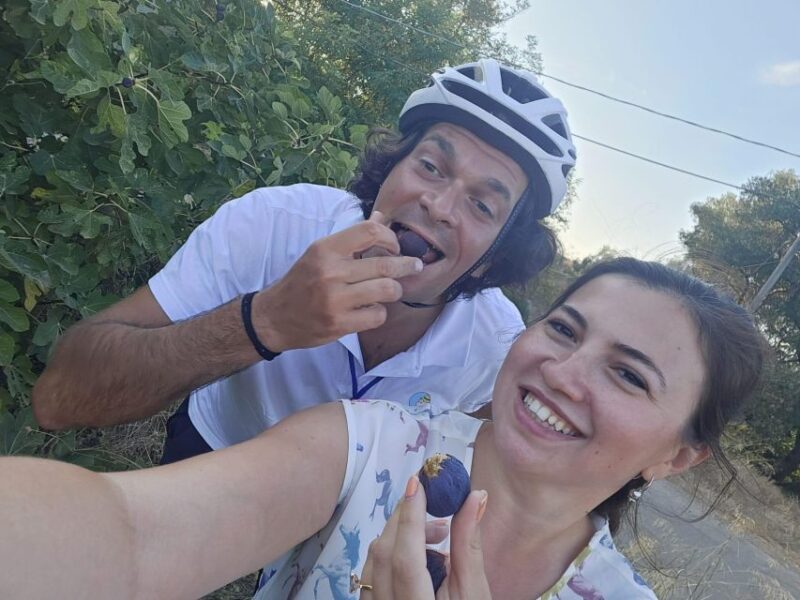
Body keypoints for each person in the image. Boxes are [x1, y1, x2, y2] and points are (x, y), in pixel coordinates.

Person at [2, 258, 764, 599]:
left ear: (678, 455)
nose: (564, 373)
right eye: (564, 329)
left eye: (628, 374)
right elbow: (132, 537)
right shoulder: (374, 449)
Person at [31, 59, 577, 462]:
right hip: (212, 447)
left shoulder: (497, 342)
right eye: (431, 166)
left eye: (482, 204)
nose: (438, 204)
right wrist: (264, 321)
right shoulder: (270, 224)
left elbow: (485, 442)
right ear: (389, 171)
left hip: (332, 517)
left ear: (490, 261)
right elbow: (58, 399)